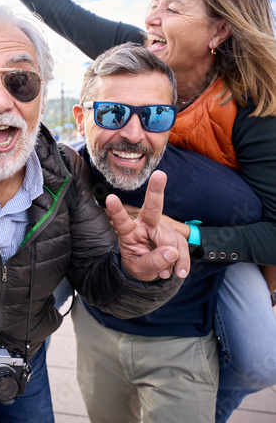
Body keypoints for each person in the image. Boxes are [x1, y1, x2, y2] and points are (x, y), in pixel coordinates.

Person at [0, 0, 276, 421]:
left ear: (219, 30)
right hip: (129, 214)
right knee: (49, 261)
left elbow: (269, 226)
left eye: (172, 9)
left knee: (261, 359)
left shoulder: (255, 106)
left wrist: (194, 238)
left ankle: (209, 403)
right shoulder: (139, 56)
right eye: (154, 2)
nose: (153, 16)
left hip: (224, 231)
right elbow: (60, 10)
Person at [0, 6, 189, 423]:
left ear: (43, 95)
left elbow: (101, 285)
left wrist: (137, 275)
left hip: (24, 366)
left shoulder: (65, 173)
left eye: (21, 81)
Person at [71, 43, 262, 423]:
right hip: (95, 332)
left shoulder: (220, 195)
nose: (132, 134)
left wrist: (189, 237)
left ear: (171, 122)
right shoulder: (67, 172)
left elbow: (262, 234)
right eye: (111, 113)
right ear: (81, 119)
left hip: (181, 346)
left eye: (155, 116)